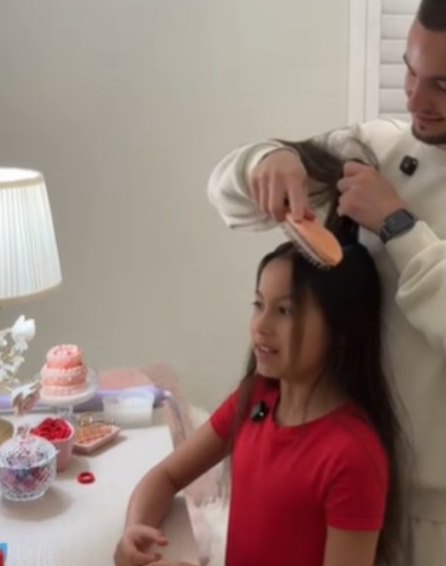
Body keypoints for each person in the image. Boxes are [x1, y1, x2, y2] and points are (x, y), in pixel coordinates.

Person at [206, 0, 446, 563]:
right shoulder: (377, 148)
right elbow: (231, 200)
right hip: (341, 495)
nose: (416, 99)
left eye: (445, 84)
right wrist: (265, 160)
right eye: (410, 72)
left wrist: (397, 225)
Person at [114, 149, 406, 566]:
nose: (261, 326)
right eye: (258, 305)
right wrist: (134, 531)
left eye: (285, 311)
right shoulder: (256, 398)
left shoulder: (352, 456)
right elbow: (165, 477)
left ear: (341, 330)